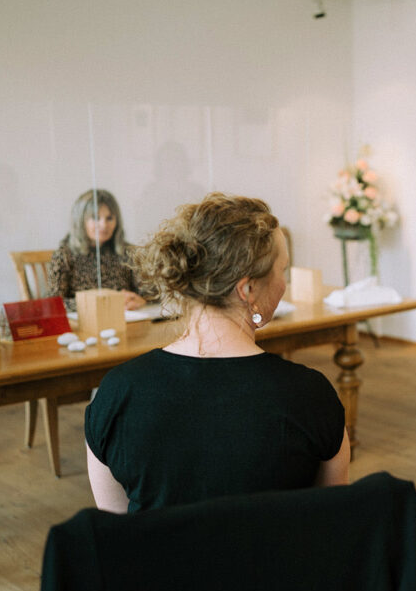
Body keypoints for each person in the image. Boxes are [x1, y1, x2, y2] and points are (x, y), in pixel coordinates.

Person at [85, 193, 350, 513]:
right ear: (248, 289)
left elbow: (116, 533)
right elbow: (332, 522)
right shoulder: (310, 395)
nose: (284, 283)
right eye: (283, 271)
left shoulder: (116, 393)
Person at [49, 189, 147, 312]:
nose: (104, 225)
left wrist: (139, 300)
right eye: (95, 218)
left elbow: (150, 293)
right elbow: (54, 304)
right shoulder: (64, 255)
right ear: (80, 220)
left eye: (109, 218)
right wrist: (104, 302)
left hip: (127, 320)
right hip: (84, 323)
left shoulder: (128, 252)